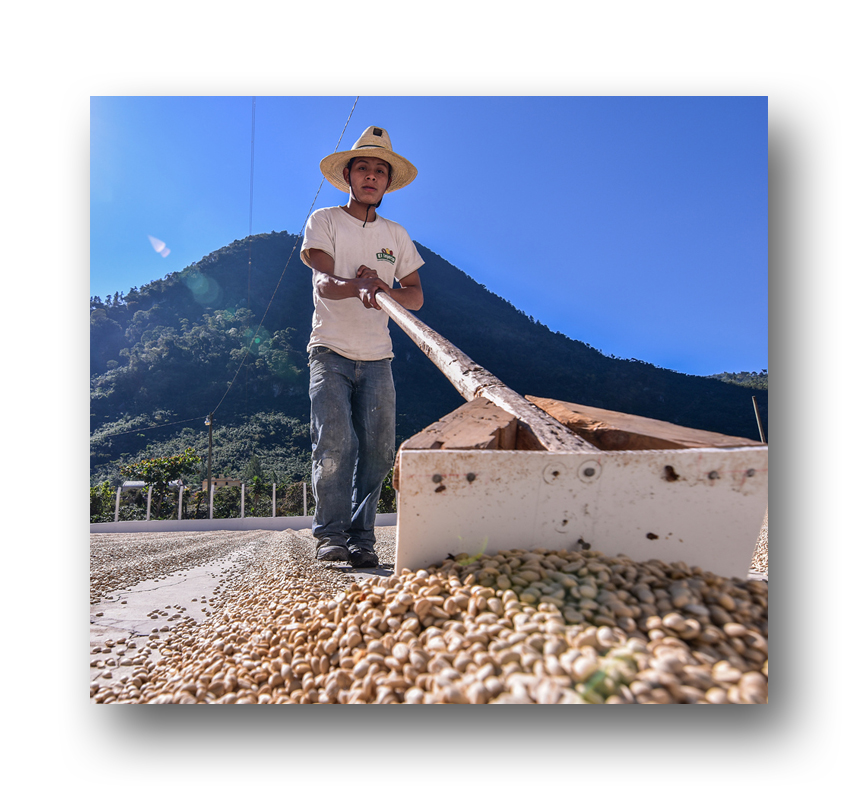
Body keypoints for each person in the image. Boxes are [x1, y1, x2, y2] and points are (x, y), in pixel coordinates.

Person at [300, 126, 424, 568]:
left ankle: (362, 537)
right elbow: (324, 284)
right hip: (329, 350)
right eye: (363, 168)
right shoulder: (325, 221)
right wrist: (360, 286)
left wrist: (384, 288)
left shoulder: (397, 235)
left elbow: (415, 296)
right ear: (348, 175)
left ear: (388, 183)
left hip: (378, 359)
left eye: (379, 171)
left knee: (377, 450)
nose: (371, 176)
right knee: (334, 442)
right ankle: (330, 535)